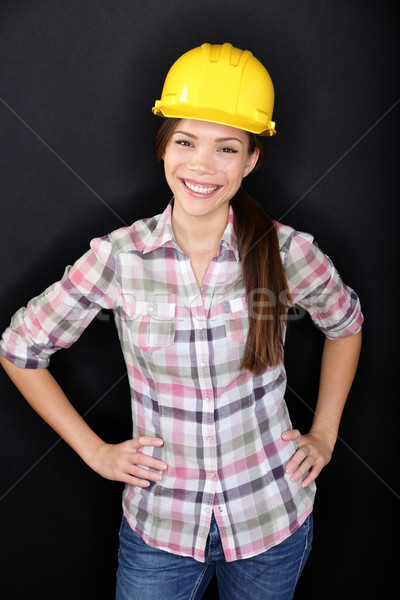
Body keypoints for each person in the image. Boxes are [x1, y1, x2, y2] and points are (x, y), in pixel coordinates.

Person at [0, 43, 363, 600]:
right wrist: (96, 451)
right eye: (186, 141)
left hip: (272, 521)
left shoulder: (287, 252)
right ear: (164, 146)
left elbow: (346, 323)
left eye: (227, 148)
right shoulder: (120, 258)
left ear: (251, 161)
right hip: (160, 532)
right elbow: (20, 348)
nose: (202, 165)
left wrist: (326, 434)